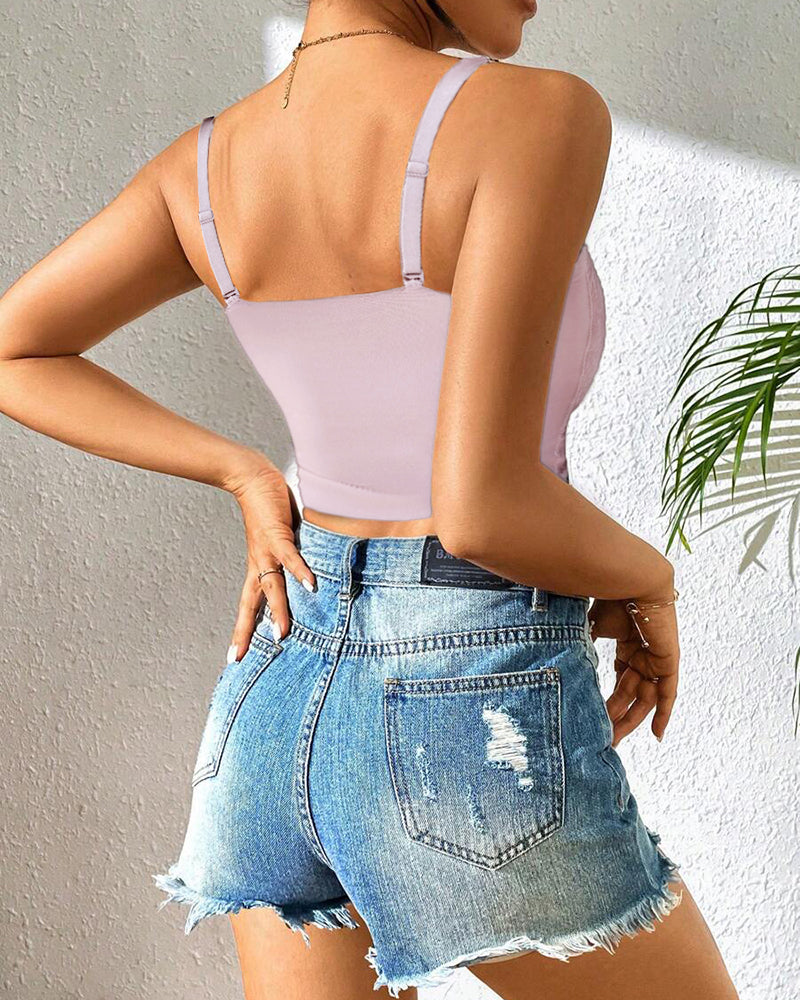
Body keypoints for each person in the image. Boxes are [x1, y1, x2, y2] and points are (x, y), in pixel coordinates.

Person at [0, 1, 740, 998]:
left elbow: (16, 348)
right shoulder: (538, 115)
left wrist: (244, 471)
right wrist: (648, 579)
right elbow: (482, 509)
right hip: (464, 689)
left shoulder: (203, 166)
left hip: (275, 688)